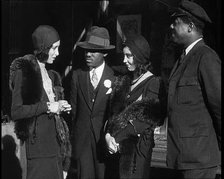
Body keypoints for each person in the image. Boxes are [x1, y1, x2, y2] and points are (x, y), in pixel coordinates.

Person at [167, 1, 221, 179]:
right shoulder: (183, 58)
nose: (171, 26)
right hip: (182, 157)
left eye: (176, 22)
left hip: (199, 160)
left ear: (190, 26)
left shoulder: (206, 57)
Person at [9, 25, 72, 179]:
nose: (57, 53)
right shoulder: (24, 71)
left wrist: (60, 106)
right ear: (43, 47)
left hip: (54, 147)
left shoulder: (50, 74)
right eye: (54, 48)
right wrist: (49, 106)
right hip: (38, 149)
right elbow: (16, 111)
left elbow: (49, 107)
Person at [105, 34, 167, 179]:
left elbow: (144, 120)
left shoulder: (153, 83)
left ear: (140, 57)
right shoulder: (123, 81)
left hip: (136, 151)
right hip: (115, 149)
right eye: (124, 55)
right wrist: (108, 136)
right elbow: (113, 114)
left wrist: (117, 137)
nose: (124, 60)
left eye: (129, 56)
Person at [69, 26, 115, 179]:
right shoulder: (77, 75)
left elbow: (115, 113)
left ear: (105, 53)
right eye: (86, 50)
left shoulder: (114, 78)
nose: (88, 54)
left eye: (93, 51)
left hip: (103, 143)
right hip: (82, 143)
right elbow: (74, 111)